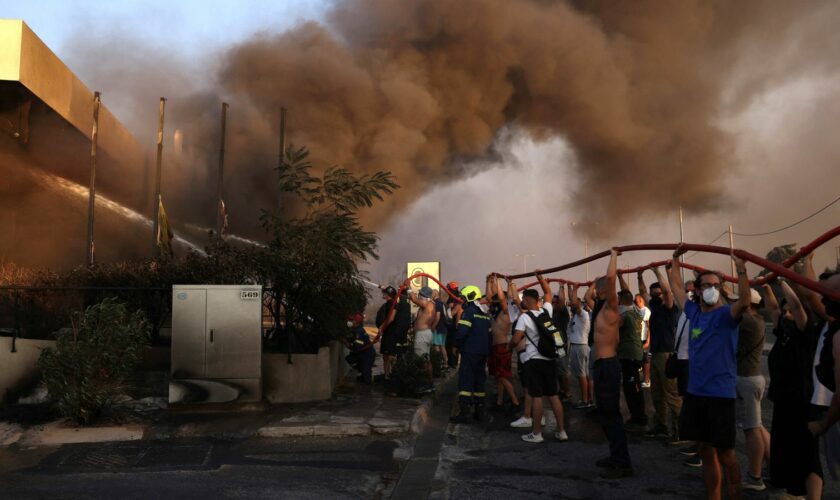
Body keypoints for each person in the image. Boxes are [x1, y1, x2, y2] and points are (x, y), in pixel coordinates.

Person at [669, 246, 750, 500]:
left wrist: (742, 270)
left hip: (720, 396)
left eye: (716, 284)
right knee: (705, 450)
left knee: (726, 454)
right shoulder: (694, 314)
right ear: (699, 290)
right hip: (696, 394)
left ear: (722, 288)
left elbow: (745, 301)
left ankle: (735, 496)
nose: (712, 288)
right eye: (707, 285)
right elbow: (677, 289)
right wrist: (674, 260)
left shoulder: (727, 315)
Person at [763, 280, 823, 499]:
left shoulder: (805, 333)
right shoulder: (784, 333)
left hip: (803, 402)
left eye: (790, 312)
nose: (787, 314)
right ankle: (794, 493)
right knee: (787, 453)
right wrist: (767, 286)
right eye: (785, 311)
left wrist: (780, 280)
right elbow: (772, 308)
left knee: (809, 456)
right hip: (783, 401)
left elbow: (797, 306)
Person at [510, 272, 568, 444]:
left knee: (536, 397)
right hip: (550, 359)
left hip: (534, 361)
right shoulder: (546, 311)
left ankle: (536, 434)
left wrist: (508, 348)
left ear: (527, 301)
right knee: (553, 395)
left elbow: (516, 339)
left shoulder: (525, 318)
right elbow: (548, 294)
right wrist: (540, 278)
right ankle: (562, 431)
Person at [593, 249, 633, 478]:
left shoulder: (611, 308)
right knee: (605, 415)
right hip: (602, 366)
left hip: (608, 365)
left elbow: (610, 279)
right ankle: (615, 455)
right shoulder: (601, 311)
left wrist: (613, 255)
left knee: (612, 415)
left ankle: (623, 463)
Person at [736, 288, 770, 491]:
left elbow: (724, 308)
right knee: (757, 426)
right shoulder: (754, 320)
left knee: (751, 430)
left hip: (747, 379)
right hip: (751, 378)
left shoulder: (749, 321)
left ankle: (755, 477)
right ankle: (773, 466)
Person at [645, 268, 682, 441]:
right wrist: (638, 275)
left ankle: (680, 431)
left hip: (666, 355)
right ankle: (661, 425)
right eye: (654, 294)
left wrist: (657, 271)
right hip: (656, 353)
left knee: (672, 395)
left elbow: (667, 291)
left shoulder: (670, 309)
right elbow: (644, 293)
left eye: (658, 293)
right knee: (657, 393)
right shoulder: (654, 308)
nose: (655, 296)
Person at [450, 285, 492, 423]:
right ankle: (480, 412)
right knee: (479, 382)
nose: (462, 301)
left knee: (466, 381)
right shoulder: (484, 315)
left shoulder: (468, 313)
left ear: (469, 297)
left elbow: (462, 332)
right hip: (482, 353)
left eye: (463, 298)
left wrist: (456, 346)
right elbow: (489, 336)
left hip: (469, 352)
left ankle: (464, 413)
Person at [487, 275, 520, 412]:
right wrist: (489, 282)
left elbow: (501, 298)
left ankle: (515, 402)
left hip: (502, 347)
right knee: (499, 376)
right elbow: (491, 298)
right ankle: (499, 402)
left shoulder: (508, 312)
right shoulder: (498, 311)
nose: (494, 302)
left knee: (503, 375)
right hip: (496, 347)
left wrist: (499, 281)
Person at [618, 289, 648, 431]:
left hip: (629, 354)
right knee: (633, 384)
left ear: (622, 301)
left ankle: (638, 417)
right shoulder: (635, 313)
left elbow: (613, 326)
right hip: (635, 353)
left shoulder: (624, 315)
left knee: (631, 387)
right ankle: (638, 415)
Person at [375, 286, 411, 380]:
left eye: (384, 293)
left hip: (391, 333)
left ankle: (394, 375)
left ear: (387, 295)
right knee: (385, 355)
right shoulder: (391, 302)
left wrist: (382, 327)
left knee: (390, 355)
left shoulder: (393, 303)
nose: (383, 294)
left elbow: (391, 318)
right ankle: (387, 375)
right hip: (388, 332)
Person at [566, 282, 593, 409]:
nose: (571, 305)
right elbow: (573, 303)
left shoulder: (583, 315)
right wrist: (569, 288)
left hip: (580, 347)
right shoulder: (576, 316)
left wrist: (575, 289)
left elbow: (575, 304)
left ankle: (585, 400)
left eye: (573, 304)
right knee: (586, 375)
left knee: (582, 375)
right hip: (579, 347)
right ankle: (589, 399)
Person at [409, 286, 436, 380]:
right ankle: (429, 382)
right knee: (426, 360)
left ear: (423, 295)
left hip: (422, 335)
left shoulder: (427, 304)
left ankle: (422, 382)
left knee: (419, 360)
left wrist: (408, 287)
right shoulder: (430, 304)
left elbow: (413, 298)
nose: (418, 295)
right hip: (426, 333)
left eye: (420, 294)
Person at [344, 313, 375, 384]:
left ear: (356, 322)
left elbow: (356, 348)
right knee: (350, 359)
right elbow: (351, 339)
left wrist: (345, 343)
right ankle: (363, 372)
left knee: (367, 381)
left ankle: (382, 378)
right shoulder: (355, 330)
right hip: (363, 355)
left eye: (352, 320)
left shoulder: (359, 332)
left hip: (367, 356)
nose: (349, 322)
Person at [432, 290, 449, 368]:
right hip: (444, 328)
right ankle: (445, 364)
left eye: (432, 293)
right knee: (442, 346)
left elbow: (438, 317)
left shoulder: (437, 303)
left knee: (436, 346)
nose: (430, 294)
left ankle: (438, 365)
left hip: (438, 328)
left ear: (435, 294)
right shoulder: (443, 304)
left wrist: (433, 327)